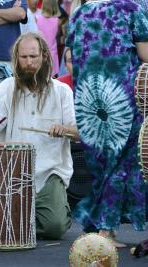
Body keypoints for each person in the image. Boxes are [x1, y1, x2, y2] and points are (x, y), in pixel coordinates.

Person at [0, 32, 78, 240]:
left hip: (49, 172)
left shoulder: (62, 91)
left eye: (33, 57)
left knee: (54, 228)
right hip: (10, 173)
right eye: (24, 58)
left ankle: (25, 220)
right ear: (16, 59)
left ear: (44, 57)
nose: (29, 63)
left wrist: (64, 129)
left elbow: (79, 133)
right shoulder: (6, 88)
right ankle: (21, 219)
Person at [66, 0, 148, 247]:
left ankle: (95, 227)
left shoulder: (79, 13)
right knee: (121, 162)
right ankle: (105, 229)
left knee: (101, 163)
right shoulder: (133, 9)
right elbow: (145, 54)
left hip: (88, 96)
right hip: (121, 96)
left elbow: (73, 55)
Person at [36, 0, 60, 77]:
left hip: (41, 52)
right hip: (53, 53)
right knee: (53, 78)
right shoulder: (57, 21)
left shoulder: (37, 19)